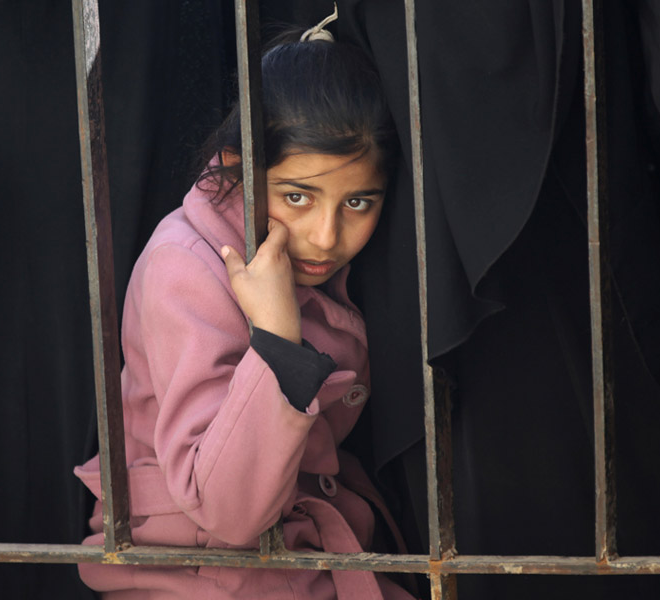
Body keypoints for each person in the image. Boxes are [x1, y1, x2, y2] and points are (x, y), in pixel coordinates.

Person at [74, 11, 414, 600]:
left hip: (293, 550)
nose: (327, 235)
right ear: (238, 168)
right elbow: (227, 512)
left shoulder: (327, 264)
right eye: (297, 196)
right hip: (191, 570)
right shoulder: (184, 266)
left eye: (357, 202)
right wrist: (278, 341)